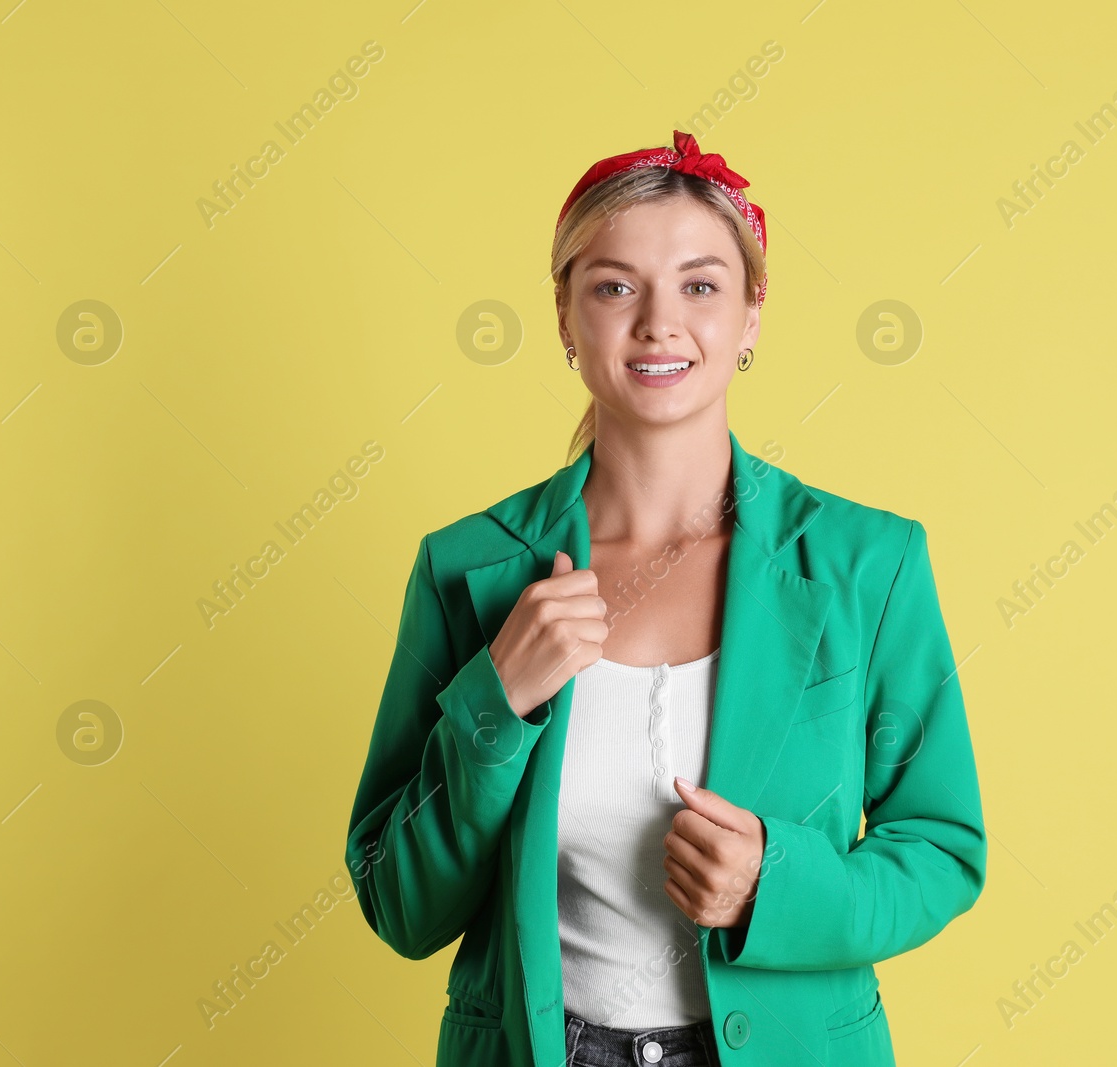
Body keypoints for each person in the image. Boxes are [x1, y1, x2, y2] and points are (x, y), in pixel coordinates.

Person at [345, 129, 986, 1067]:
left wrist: (774, 887)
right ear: (565, 316)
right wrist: (498, 699)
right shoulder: (468, 568)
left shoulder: (868, 563)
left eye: (700, 284)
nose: (658, 323)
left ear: (753, 314)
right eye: (613, 286)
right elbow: (399, 902)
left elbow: (940, 849)